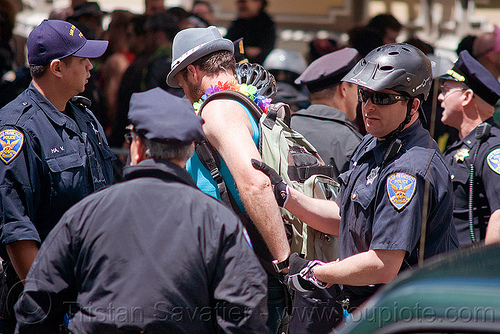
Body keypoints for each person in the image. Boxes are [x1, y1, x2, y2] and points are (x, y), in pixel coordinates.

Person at [14, 87, 267, 333]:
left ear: (135, 147)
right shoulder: (219, 222)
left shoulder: (86, 214)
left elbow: (36, 306)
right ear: (190, 151)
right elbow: (246, 315)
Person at [253, 43, 459, 327]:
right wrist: (286, 196)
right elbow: (345, 218)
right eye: (364, 95)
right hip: (368, 309)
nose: (369, 106)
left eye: (383, 98)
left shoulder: (408, 171)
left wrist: (318, 272)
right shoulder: (374, 143)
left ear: (413, 105)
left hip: (403, 317)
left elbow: (383, 265)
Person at [167, 26, 290, 333]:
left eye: (180, 80)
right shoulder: (245, 102)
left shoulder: (219, 108)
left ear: (193, 72)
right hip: (245, 271)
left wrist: (284, 261)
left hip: (240, 274)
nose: (181, 90)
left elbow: (255, 182)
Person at [0, 19, 115, 333]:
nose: (91, 66)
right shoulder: (17, 129)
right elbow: (17, 229)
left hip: (96, 292)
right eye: (82, 60)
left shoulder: (84, 116)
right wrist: (47, 304)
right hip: (52, 304)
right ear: (57, 68)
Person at [440, 50, 500, 246]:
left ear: (466, 97)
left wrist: (483, 271)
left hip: (469, 270)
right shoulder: (460, 146)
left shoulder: (493, 149)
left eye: (445, 90)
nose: (440, 98)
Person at [292, 47, 362, 177]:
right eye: (357, 89)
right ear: (344, 88)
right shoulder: (350, 142)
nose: (359, 98)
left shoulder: (284, 127)